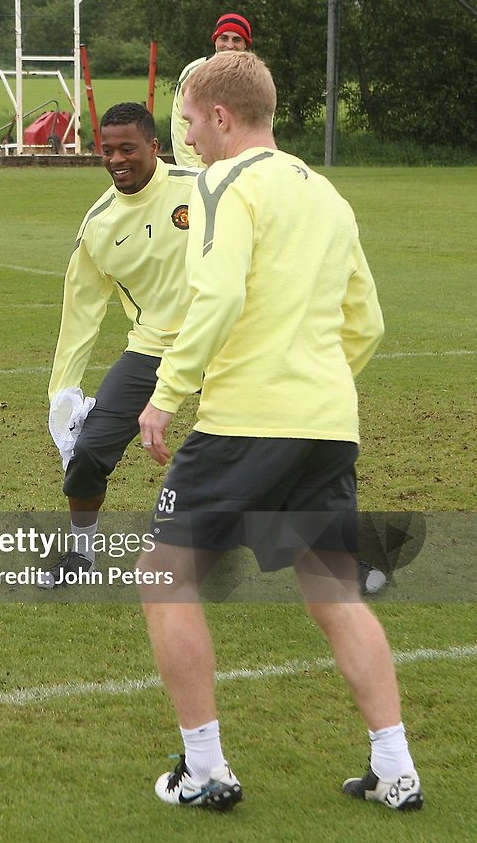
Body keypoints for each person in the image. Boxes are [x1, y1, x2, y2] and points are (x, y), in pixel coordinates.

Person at [136, 51, 421, 812]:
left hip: (246, 424)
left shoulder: (224, 184)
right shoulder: (326, 193)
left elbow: (220, 294)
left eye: (190, 119)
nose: (186, 135)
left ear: (222, 117)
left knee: (163, 578)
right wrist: (318, 387)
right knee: (334, 594)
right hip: (328, 425)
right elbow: (369, 322)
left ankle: (204, 767)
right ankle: (395, 767)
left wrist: (167, 394)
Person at [43, 102, 200, 586]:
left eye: (128, 148)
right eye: (106, 150)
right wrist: (63, 390)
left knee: (287, 444)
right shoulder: (100, 223)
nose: (116, 159)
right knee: (87, 452)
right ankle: (81, 555)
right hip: (152, 351)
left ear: (154, 146)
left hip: (228, 345)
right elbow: (81, 310)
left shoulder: (201, 190)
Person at [170, 13, 252, 167]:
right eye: (224, 38)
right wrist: (191, 170)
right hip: (198, 169)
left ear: (245, 44)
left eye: (237, 40)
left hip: (239, 170)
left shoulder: (254, 78)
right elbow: (181, 123)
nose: (229, 45)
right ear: (215, 40)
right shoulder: (193, 73)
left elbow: (261, 127)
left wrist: (244, 169)